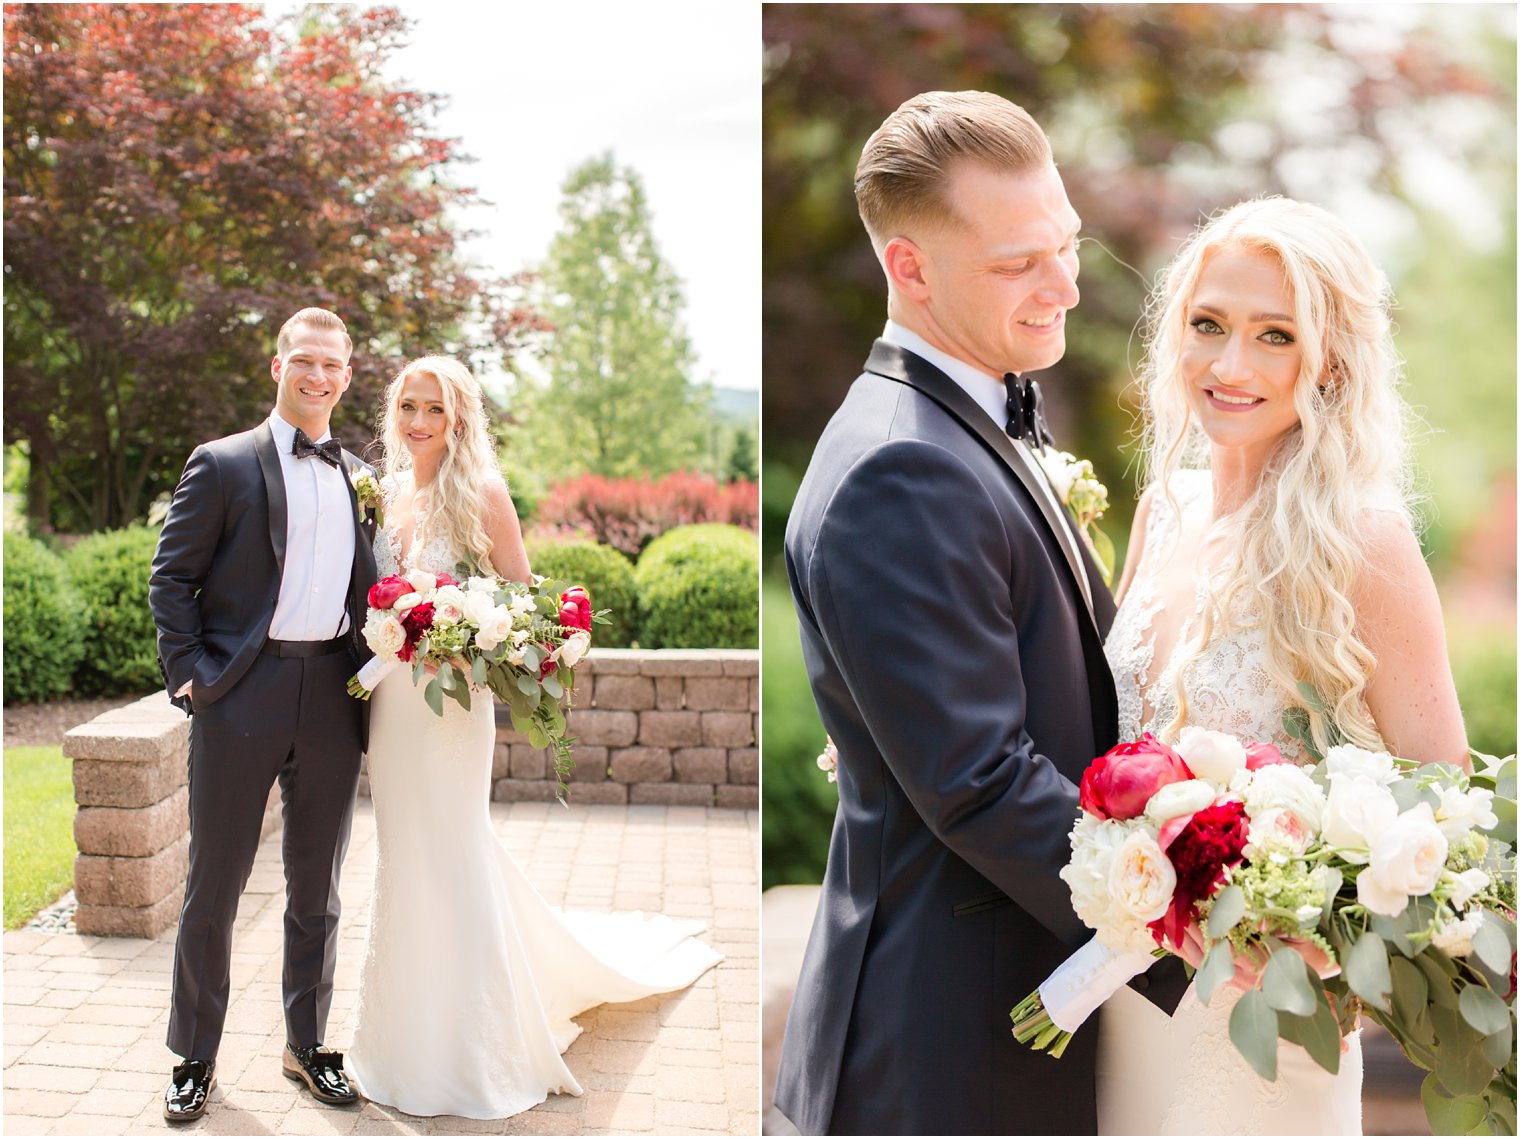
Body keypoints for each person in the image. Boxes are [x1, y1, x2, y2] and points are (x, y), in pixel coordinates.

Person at [772, 90, 1189, 1136]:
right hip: (951, 1041)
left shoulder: (964, 412)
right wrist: (1191, 912)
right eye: (1017, 263)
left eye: (1066, 245)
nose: (1064, 285)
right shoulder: (901, 468)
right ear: (907, 266)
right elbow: (977, 779)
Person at [1096, 196, 1470, 1134]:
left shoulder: (1364, 543)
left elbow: (1443, 802)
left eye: (1274, 336)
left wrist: (1320, 936)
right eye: (1208, 325)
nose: (1229, 365)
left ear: (1330, 361)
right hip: (1124, 995)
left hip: (1267, 1023)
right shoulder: (1162, 512)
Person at [344, 355, 722, 1120]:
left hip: (451, 708)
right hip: (393, 709)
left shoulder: (481, 493)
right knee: (404, 855)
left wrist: (458, 632)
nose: (419, 422)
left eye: (435, 411)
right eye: (409, 406)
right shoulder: (384, 495)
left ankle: (476, 1044)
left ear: (459, 420)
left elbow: (522, 609)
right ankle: (400, 1039)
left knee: (452, 851)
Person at [149, 307, 378, 1121]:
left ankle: (307, 1043)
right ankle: (194, 1057)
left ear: (349, 376)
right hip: (239, 695)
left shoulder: (358, 474)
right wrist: (194, 678)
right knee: (214, 884)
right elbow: (170, 579)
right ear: (276, 366)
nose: (319, 376)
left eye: (333, 365)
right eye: (305, 360)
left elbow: (372, 592)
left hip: (332, 696)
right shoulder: (222, 463)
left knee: (317, 885)